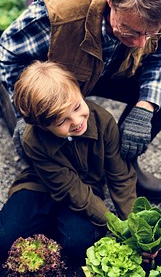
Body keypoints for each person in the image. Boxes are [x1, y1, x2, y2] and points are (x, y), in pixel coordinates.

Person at [0, 0, 161, 203]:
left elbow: (160, 59)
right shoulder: (60, 8)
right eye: (130, 30)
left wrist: (144, 109)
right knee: (36, 136)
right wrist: (23, 115)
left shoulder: (159, 4)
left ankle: (122, 165)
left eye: (149, 34)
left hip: (112, 68)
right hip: (64, 72)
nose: (140, 43)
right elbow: (8, 54)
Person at [0, 60, 137, 267]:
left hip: (87, 188)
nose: (76, 121)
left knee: (78, 244)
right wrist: (113, 223)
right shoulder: (32, 139)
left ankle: (51, 230)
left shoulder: (104, 121)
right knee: (4, 239)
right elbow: (69, 188)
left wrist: (132, 226)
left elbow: (121, 177)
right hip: (41, 186)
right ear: (43, 126)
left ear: (79, 91)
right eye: (62, 121)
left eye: (77, 106)